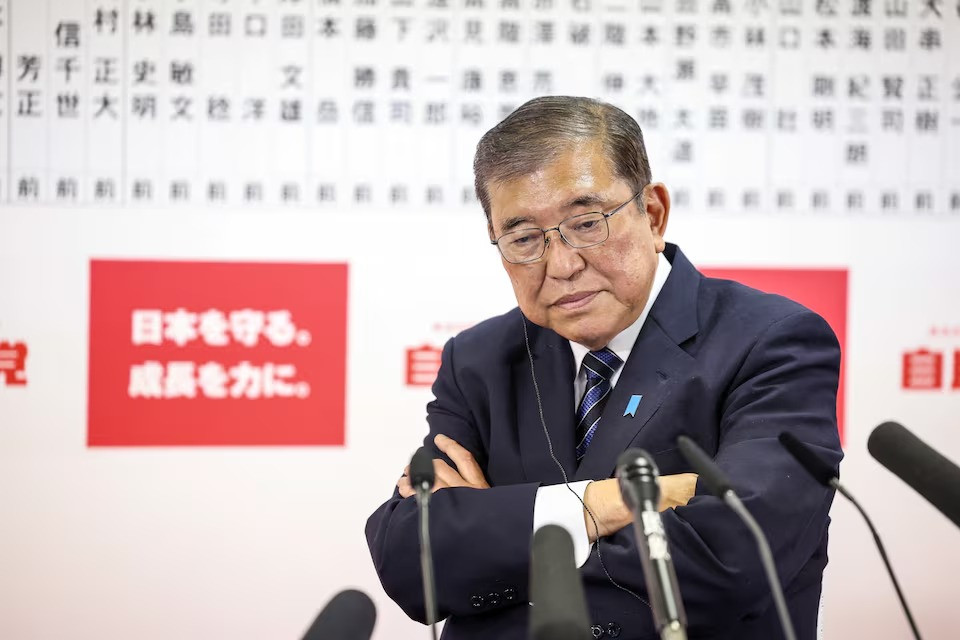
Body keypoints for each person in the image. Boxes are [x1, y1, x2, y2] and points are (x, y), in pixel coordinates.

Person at [365, 96, 843, 640]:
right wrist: (600, 504)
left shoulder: (770, 342)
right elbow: (411, 558)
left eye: (587, 223)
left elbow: (734, 557)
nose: (563, 265)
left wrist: (500, 534)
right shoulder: (478, 359)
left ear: (654, 214)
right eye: (523, 239)